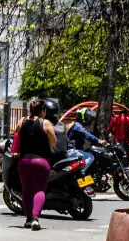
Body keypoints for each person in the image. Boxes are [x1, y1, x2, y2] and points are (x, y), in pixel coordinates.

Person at [12, 99, 57, 231]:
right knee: (39, 190)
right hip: (41, 162)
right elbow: (53, 143)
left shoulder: (21, 121)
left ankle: (28, 219)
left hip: (24, 162)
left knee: (26, 190)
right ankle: (35, 218)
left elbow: (16, 138)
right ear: (43, 111)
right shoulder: (46, 123)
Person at [68, 107, 106, 171]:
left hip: (76, 151)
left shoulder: (80, 126)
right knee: (90, 157)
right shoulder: (77, 126)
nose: (89, 120)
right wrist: (99, 141)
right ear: (82, 117)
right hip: (71, 151)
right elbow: (87, 135)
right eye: (88, 118)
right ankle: (81, 173)